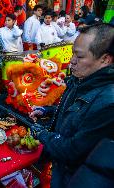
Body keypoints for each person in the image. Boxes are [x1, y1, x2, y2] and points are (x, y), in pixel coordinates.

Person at [29, 23, 114, 187]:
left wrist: (42, 134)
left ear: (105, 59)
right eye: (72, 54)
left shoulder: (108, 104)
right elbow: (76, 113)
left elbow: (73, 151)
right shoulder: (82, 78)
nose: (71, 62)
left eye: (79, 57)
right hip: (60, 169)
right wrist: (47, 110)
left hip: (76, 178)